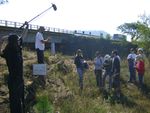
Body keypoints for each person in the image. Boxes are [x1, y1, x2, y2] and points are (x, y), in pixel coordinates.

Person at [0, 22, 28, 113]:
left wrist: (26, 27)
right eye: (17, 40)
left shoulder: (17, 49)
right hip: (14, 81)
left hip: (20, 80)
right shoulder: (9, 51)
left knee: (21, 100)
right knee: (15, 102)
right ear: (14, 42)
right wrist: (3, 39)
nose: (19, 41)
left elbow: (22, 37)